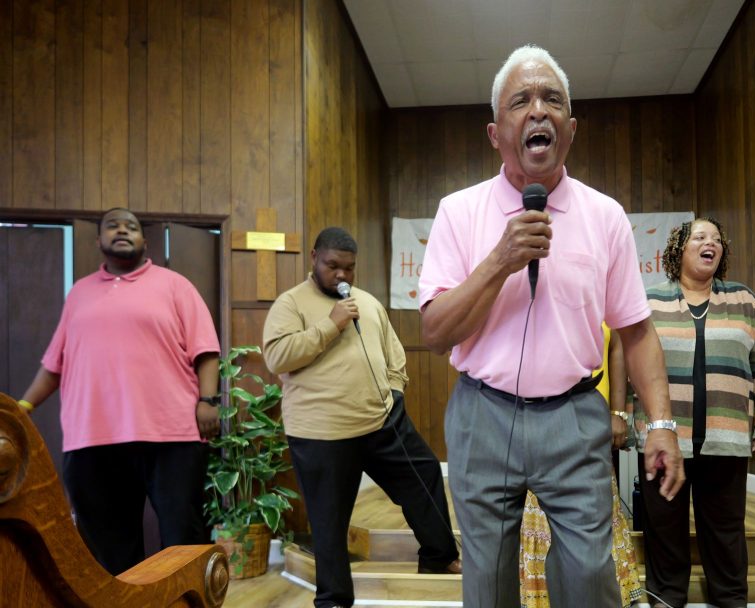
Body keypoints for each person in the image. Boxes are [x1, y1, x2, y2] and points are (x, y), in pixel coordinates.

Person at [418, 45, 683, 608]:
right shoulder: (458, 212)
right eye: (521, 101)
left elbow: (635, 330)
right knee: (487, 582)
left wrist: (660, 423)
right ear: (496, 133)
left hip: (573, 415)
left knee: (589, 576)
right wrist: (499, 261)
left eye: (552, 100)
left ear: (571, 129)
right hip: (481, 414)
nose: (538, 110)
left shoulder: (605, 215)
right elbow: (436, 332)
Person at [263, 227, 460, 608]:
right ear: (314, 258)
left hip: (382, 422)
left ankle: (438, 557)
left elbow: (394, 354)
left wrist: (395, 391)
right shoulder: (290, 304)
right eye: (332, 266)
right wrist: (331, 323)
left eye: (348, 268)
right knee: (329, 519)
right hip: (322, 433)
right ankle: (334, 598)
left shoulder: (368, 303)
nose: (340, 275)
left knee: (424, 476)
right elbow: (278, 357)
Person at [18, 207, 220, 575]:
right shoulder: (79, 293)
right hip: (93, 437)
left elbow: (206, 350)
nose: (122, 231)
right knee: (108, 547)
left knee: (183, 538)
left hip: (170, 434)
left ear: (144, 241)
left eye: (132, 227)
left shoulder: (174, 285)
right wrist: (24, 405)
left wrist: (208, 401)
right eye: (113, 226)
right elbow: (54, 364)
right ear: (99, 241)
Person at [635, 217, 755, 608]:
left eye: (716, 239)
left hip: (727, 435)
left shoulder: (745, 301)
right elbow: (634, 363)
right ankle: (666, 598)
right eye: (699, 237)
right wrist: (635, 421)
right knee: (663, 525)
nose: (710, 243)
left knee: (725, 528)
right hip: (664, 436)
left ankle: (731, 599)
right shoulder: (649, 300)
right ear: (678, 250)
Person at [519, 324, 643, 608]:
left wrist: (617, 412)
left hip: (591, 419)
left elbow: (616, 346)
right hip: (537, 419)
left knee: (597, 506)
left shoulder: (599, 288)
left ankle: (606, 593)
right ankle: (542, 595)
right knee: (539, 510)